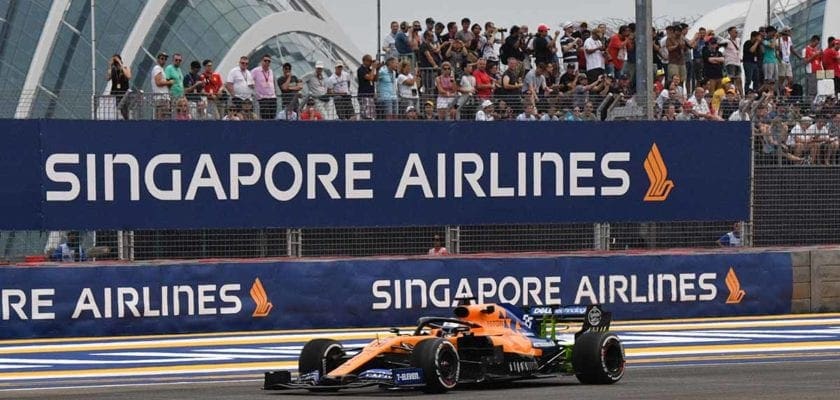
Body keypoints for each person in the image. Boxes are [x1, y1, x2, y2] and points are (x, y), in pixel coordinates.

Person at [106, 54, 131, 120]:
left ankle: (126, 121)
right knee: (116, 111)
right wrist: (110, 66)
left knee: (124, 110)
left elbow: (128, 76)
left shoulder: (125, 67)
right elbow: (108, 78)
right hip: (115, 93)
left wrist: (120, 63)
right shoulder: (113, 69)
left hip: (124, 93)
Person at [252, 54, 277, 120]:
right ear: (261, 61)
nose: (267, 62)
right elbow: (249, 80)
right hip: (262, 98)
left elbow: (273, 83)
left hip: (272, 97)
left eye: (269, 61)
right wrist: (254, 91)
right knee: (265, 117)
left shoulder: (271, 71)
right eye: (265, 60)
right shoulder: (256, 71)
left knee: (272, 116)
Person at [151, 52, 172, 119]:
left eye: (165, 59)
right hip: (161, 98)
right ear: (158, 59)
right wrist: (169, 82)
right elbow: (158, 82)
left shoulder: (161, 69)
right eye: (162, 58)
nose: (164, 60)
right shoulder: (157, 68)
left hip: (163, 98)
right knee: (161, 119)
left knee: (164, 118)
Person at [357, 55, 378, 120]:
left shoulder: (369, 70)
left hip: (371, 95)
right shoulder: (361, 69)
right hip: (364, 95)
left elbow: (376, 79)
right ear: (364, 61)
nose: (371, 63)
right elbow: (370, 78)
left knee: (371, 115)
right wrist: (374, 68)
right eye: (369, 61)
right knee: (366, 115)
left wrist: (377, 69)